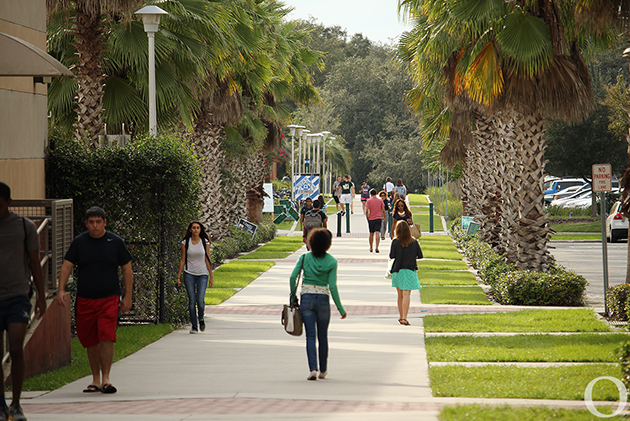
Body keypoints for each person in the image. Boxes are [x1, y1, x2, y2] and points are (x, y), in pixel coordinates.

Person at [56, 206, 133, 395]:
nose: (95, 226)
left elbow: (127, 269)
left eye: (98, 222)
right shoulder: (79, 242)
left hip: (109, 298)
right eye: (91, 222)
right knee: (90, 339)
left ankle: (106, 379)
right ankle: (95, 380)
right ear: (86, 223)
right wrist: (61, 289)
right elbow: (67, 266)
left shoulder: (115, 242)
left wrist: (128, 296)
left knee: (106, 335)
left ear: (105, 222)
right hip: (85, 299)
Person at [0, 182, 46, 421]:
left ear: (8, 202)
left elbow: (34, 263)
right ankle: (1, 403)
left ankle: (16, 403)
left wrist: (40, 295)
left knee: (16, 347)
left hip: (17, 296)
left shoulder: (23, 226)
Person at [290, 228, 347, 380]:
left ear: (311, 241)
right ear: (328, 244)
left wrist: (293, 296)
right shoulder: (332, 261)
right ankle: (323, 370)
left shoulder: (304, 258)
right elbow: (333, 287)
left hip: (307, 299)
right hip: (323, 300)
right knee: (323, 336)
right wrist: (341, 309)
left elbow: (292, 277)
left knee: (310, 335)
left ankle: (312, 369)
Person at [177, 221, 214, 334]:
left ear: (200, 230)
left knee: (200, 300)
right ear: (190, 230)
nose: (196, 230)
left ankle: (201, 318)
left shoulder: (204, 242)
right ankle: (194, 326)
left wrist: (211, 276)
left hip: (202, 274)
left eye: (198, 228)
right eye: (194, 228)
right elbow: (183, 260)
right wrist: (178, 276)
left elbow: (207, 259)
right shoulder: (185, 243)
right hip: (189, 274)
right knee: (192, 301)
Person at [389, 221, 423, 326]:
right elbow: (420, 255)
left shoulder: (395, 242)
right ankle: (404, 317)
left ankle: (401, 316)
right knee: (407, 293)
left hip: (398, 270)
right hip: (409, 269)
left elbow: (392, 256)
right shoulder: (414, 242)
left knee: (400, 295)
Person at [365, 189, 385, 253]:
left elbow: (367, 210)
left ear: (370, 194)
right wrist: (383, 216)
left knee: (371, 233)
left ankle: (371, 247)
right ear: (376, 194)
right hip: (378, 218)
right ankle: (377, 247)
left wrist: (367, 217)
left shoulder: (368, 201)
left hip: (371, 218)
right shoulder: (380, 200)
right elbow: (383, 209)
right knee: (378, 233)